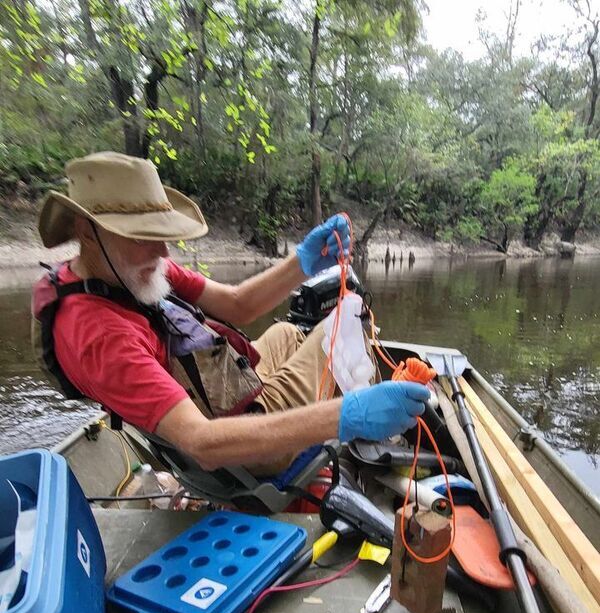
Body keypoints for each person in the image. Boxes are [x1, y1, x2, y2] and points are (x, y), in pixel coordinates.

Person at [35, 151, 429, 474]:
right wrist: (347, 415)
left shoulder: (126, 268)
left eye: (162, 235)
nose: (164, 253)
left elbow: (239, 304)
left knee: (291, 334)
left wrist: (303, 261)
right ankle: (379, 434)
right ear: (87, 231)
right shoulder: (99, 336)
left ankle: (360, 407)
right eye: (145, 236)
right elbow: (203, 444)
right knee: (347, 324)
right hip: (236, 446)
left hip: (224, 393)